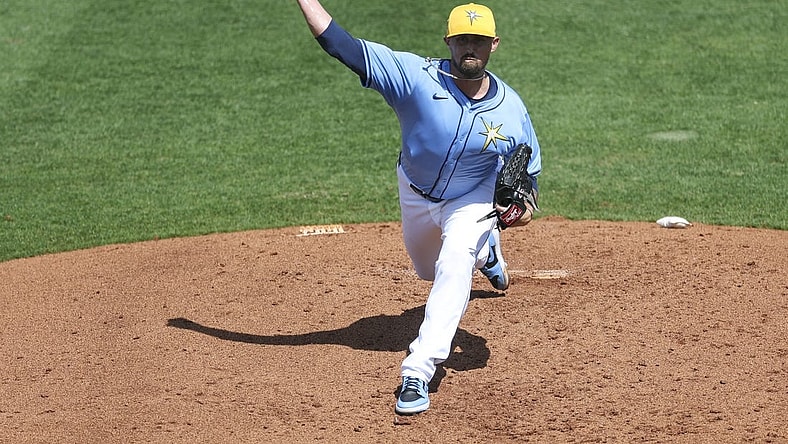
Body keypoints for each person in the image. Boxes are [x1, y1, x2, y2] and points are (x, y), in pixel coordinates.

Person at [294, 1, 542, 414]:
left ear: (493, 45)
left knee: (454, 260)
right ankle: (488, 249)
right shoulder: (414, 77)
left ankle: (418, 370)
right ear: (448, 41)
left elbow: (528, 182)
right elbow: (342, 45)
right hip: (415, 191)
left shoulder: (512, 110)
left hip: (471, 200)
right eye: (462, 38)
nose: (470, 48)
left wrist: (523, 211)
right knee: (427, 269)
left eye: (478, 41)